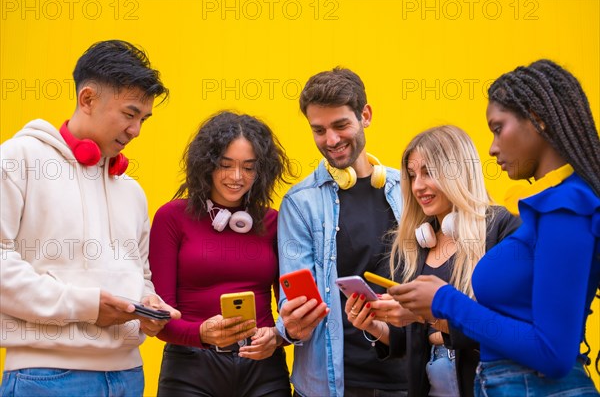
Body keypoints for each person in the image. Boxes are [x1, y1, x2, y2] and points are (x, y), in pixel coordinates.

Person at [389, 60, 600, 396]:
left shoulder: (566, 207)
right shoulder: (554, 207)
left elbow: (553, 354)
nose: (491, 147)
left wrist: (445, 301)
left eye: (498, 128)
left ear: (537, 119)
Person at [0, 40, 180, 397]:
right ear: (87, 99)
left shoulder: (131, 190)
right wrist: (86, 306)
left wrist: (148, 303)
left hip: (129, 375)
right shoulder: (17, 158)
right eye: (129, 114)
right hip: (46, 376)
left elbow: (140, 275)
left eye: (143, 119)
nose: (136, 131)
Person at [345, 125, 521, 397]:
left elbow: (506, 326)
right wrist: (373, 325)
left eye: (429, 173)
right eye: (413, 176)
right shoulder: (418, 243)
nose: (418, 186)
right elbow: (412, 340)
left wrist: (428, 317)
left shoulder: (503, 228)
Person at [276, 67, 408, 396]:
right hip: (334, 382)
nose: (331, 140)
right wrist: (289, 324)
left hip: (409, 375)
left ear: (365, 115)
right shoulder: (300, 203)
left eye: (340, 125)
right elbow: (294, 301)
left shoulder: (409, 188)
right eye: (318, 130)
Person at [149, 111, 293, 397]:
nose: (237, 177)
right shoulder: (171, 217)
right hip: (190, 368)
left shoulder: (274, 222)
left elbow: (293, 308)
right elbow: (159, 320)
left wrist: (277, 337)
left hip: (263, 368)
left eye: (249, 167)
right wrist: (201, 334)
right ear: (207, 165)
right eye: (225, 165)